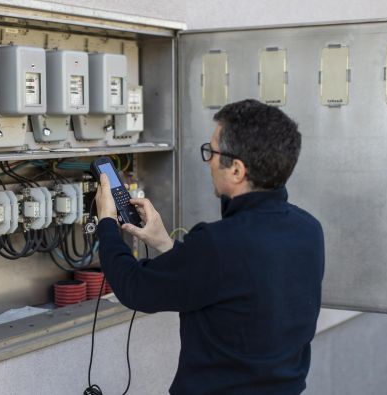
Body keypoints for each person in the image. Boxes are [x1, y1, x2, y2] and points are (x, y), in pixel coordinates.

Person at [94, 99, 325, 395]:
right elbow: (229, 281)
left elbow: (133, 287)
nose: (209, 161)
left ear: (237, 170)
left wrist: (107, 221)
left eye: (212, 152)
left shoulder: (219, 244)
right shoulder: (308, 229)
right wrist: (164, 242)